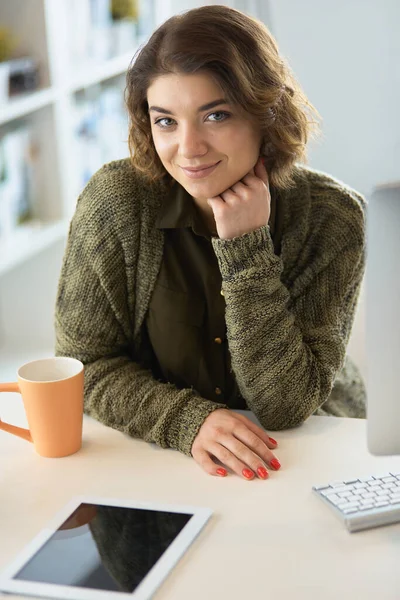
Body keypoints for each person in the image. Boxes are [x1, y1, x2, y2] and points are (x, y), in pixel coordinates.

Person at [55, 5, 366, 481]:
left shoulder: (332, 216)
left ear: (267, 114)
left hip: (308, 459)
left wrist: (246, 250)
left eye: (215, 115)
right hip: (163, 467)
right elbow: (83, 366)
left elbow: (286, 406)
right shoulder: (116, 202)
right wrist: (186, 420)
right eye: (166, 121)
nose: (189, 148)